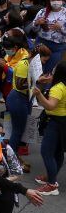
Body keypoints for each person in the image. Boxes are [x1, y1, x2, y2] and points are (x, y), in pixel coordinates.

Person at [30, 60, 66, 196]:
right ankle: (52, 177)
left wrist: (38, 94)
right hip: (63, 122)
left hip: (55, 122)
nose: (52, 70)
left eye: (55, 69)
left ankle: (52, 185)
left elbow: (50, 106)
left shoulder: (58, 88)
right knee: (58, 152)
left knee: (47, 152)